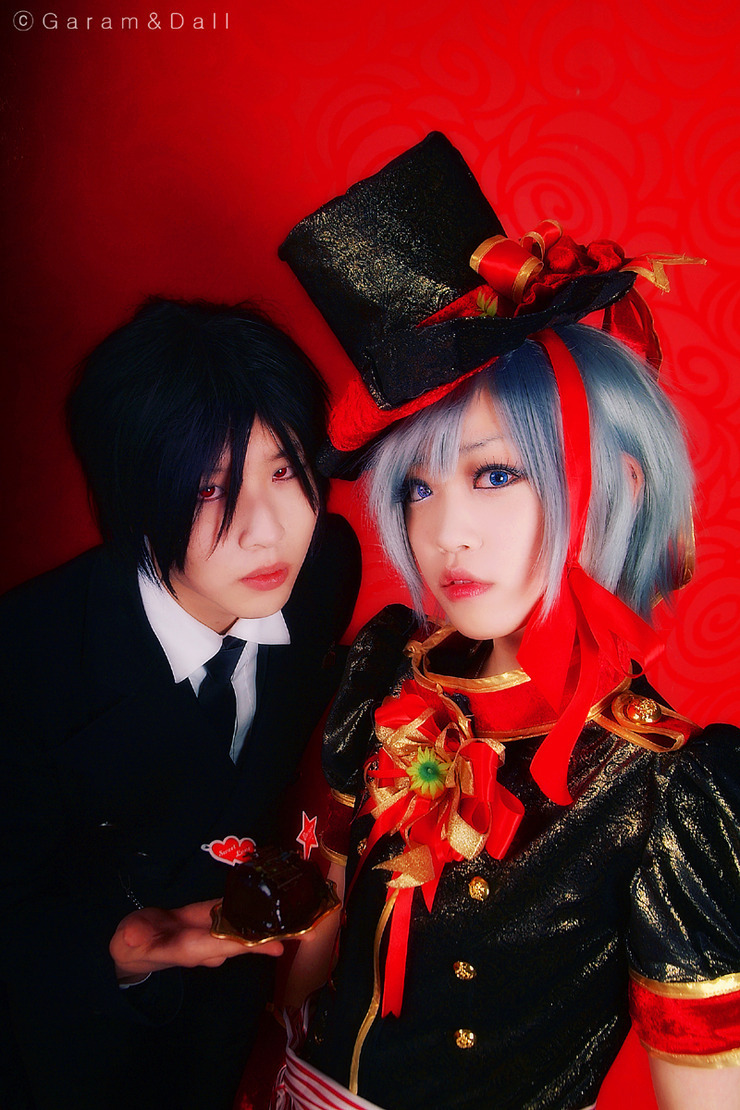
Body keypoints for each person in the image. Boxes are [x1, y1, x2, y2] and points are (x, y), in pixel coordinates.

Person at [271, 133, 740, 1109]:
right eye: (418, 487)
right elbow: (314, 955)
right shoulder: (386, 671)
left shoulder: (661, 786)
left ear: (616, 484)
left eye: (494, 474)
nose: (444, 531)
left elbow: (705, 1088)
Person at [0, 298, 360, 1110]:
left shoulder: (322, 573)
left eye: (284, 470)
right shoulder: (26, 665)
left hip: (233, 1034)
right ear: (132, 498)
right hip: (68, 1048)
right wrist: (120, 951)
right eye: (208, 488)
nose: (267, 532)